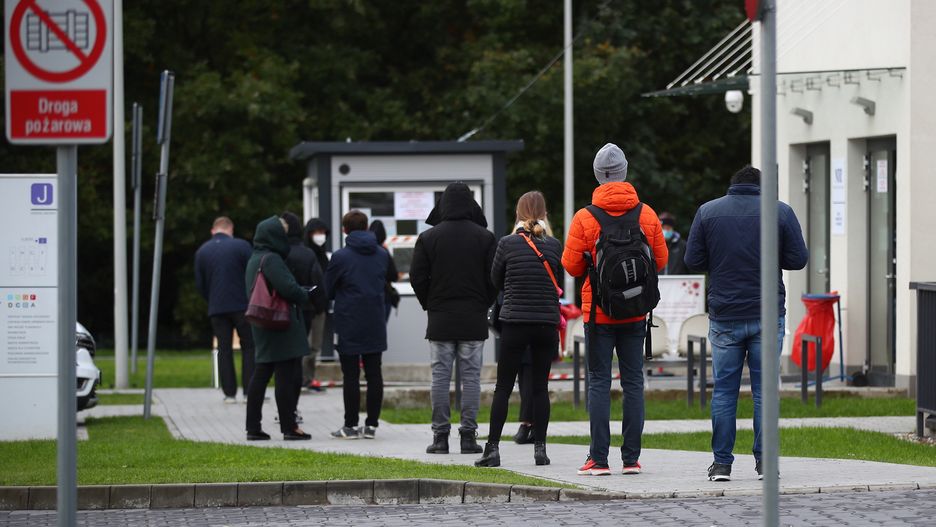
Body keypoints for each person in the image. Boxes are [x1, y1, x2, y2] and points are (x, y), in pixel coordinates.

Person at [684, 165, 808, 482]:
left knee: (724, 392)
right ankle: (765, 462)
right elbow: (798, 259)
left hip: (725, 314)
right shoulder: (780, 212)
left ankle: (722, 464)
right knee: (764, 392)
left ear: (732, 186)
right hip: (767, 313)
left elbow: (693, 260)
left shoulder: (708, 212)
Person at [562, 143, 668, 476]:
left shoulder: (585, 218)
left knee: (598, 382)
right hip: (636, 311)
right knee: (634, 382)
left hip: (599, 314)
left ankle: (599, 458)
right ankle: (632, 459)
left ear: (598, 176)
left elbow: (570, 265)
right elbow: (661, 260)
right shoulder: (646, 214)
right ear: (624, 173)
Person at [475, 191, 563, 468]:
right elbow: (558, 280)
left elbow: (495, 279)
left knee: (503, 387)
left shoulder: (507, 244)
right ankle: (541, 449)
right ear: (545, 213)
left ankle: (492, 449)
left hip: (515, 322)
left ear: (518, 213)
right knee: (540, 387)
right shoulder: (554, 246)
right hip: (546, 324)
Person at [410, 182, 496, 455]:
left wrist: (430, 304)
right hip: (473, 318)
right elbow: (494, 278)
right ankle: (468, 438)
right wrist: (483, 303)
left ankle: (440, 438)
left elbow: (417, 277)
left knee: (440, 378)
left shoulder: (429, 238)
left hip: (440, 319)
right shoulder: (485, 237)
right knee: (471, 379)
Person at [244, 215, 316, 441]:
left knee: (261, 374)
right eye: (282, 234)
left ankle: (253, 427)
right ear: (274, 236)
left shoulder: (255, 258)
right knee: (285, 377)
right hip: (279, 325)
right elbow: (288, 288)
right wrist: (305, 293)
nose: (285, 238)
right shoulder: (272, 259)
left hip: (263, 322)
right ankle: (289, 427)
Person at [326, 210, 393, 440]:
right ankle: (371, 425)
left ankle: (350, 425)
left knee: (351, 375)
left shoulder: (340, 257)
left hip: (349, 320)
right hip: (375, 319)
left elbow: (328, 289)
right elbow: (388, 277)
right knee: (374, 374)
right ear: (366, 228)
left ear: (345, 229)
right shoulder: (382, 254)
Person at [194, 216, 255, 403]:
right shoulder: (242, 246)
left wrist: (211, 299)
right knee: (250, 347)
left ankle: (229, 393)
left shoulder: (202, 251)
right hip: (242, 306)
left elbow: (200, 284)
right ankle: (249, 391)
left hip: (217, 307)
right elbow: (252, 274)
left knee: (224, 348)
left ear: (214, 230)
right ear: (231, 229)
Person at [280, 212, 327, 420]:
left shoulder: (278, 253)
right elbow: (318, 284)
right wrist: (319, 305)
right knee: (301, 353)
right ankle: (292, 409)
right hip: (306, 310)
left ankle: (286, 410)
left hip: (281, 312)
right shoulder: (307, 255)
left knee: (285, 362)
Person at [303, 218, 331, 392]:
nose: (320, 236)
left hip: (321, 307)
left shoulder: (322, 255)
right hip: (307, 306)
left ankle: (309, 378)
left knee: (315, 346)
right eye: (317, 232)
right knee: (306, 346)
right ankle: (304, 378)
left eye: (323, 232)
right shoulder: (306, 253)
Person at [369, 219, 400, 320]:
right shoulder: (384, 252)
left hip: (366, 298)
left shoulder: (361, 251)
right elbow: (393, 275)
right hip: (384, 296)